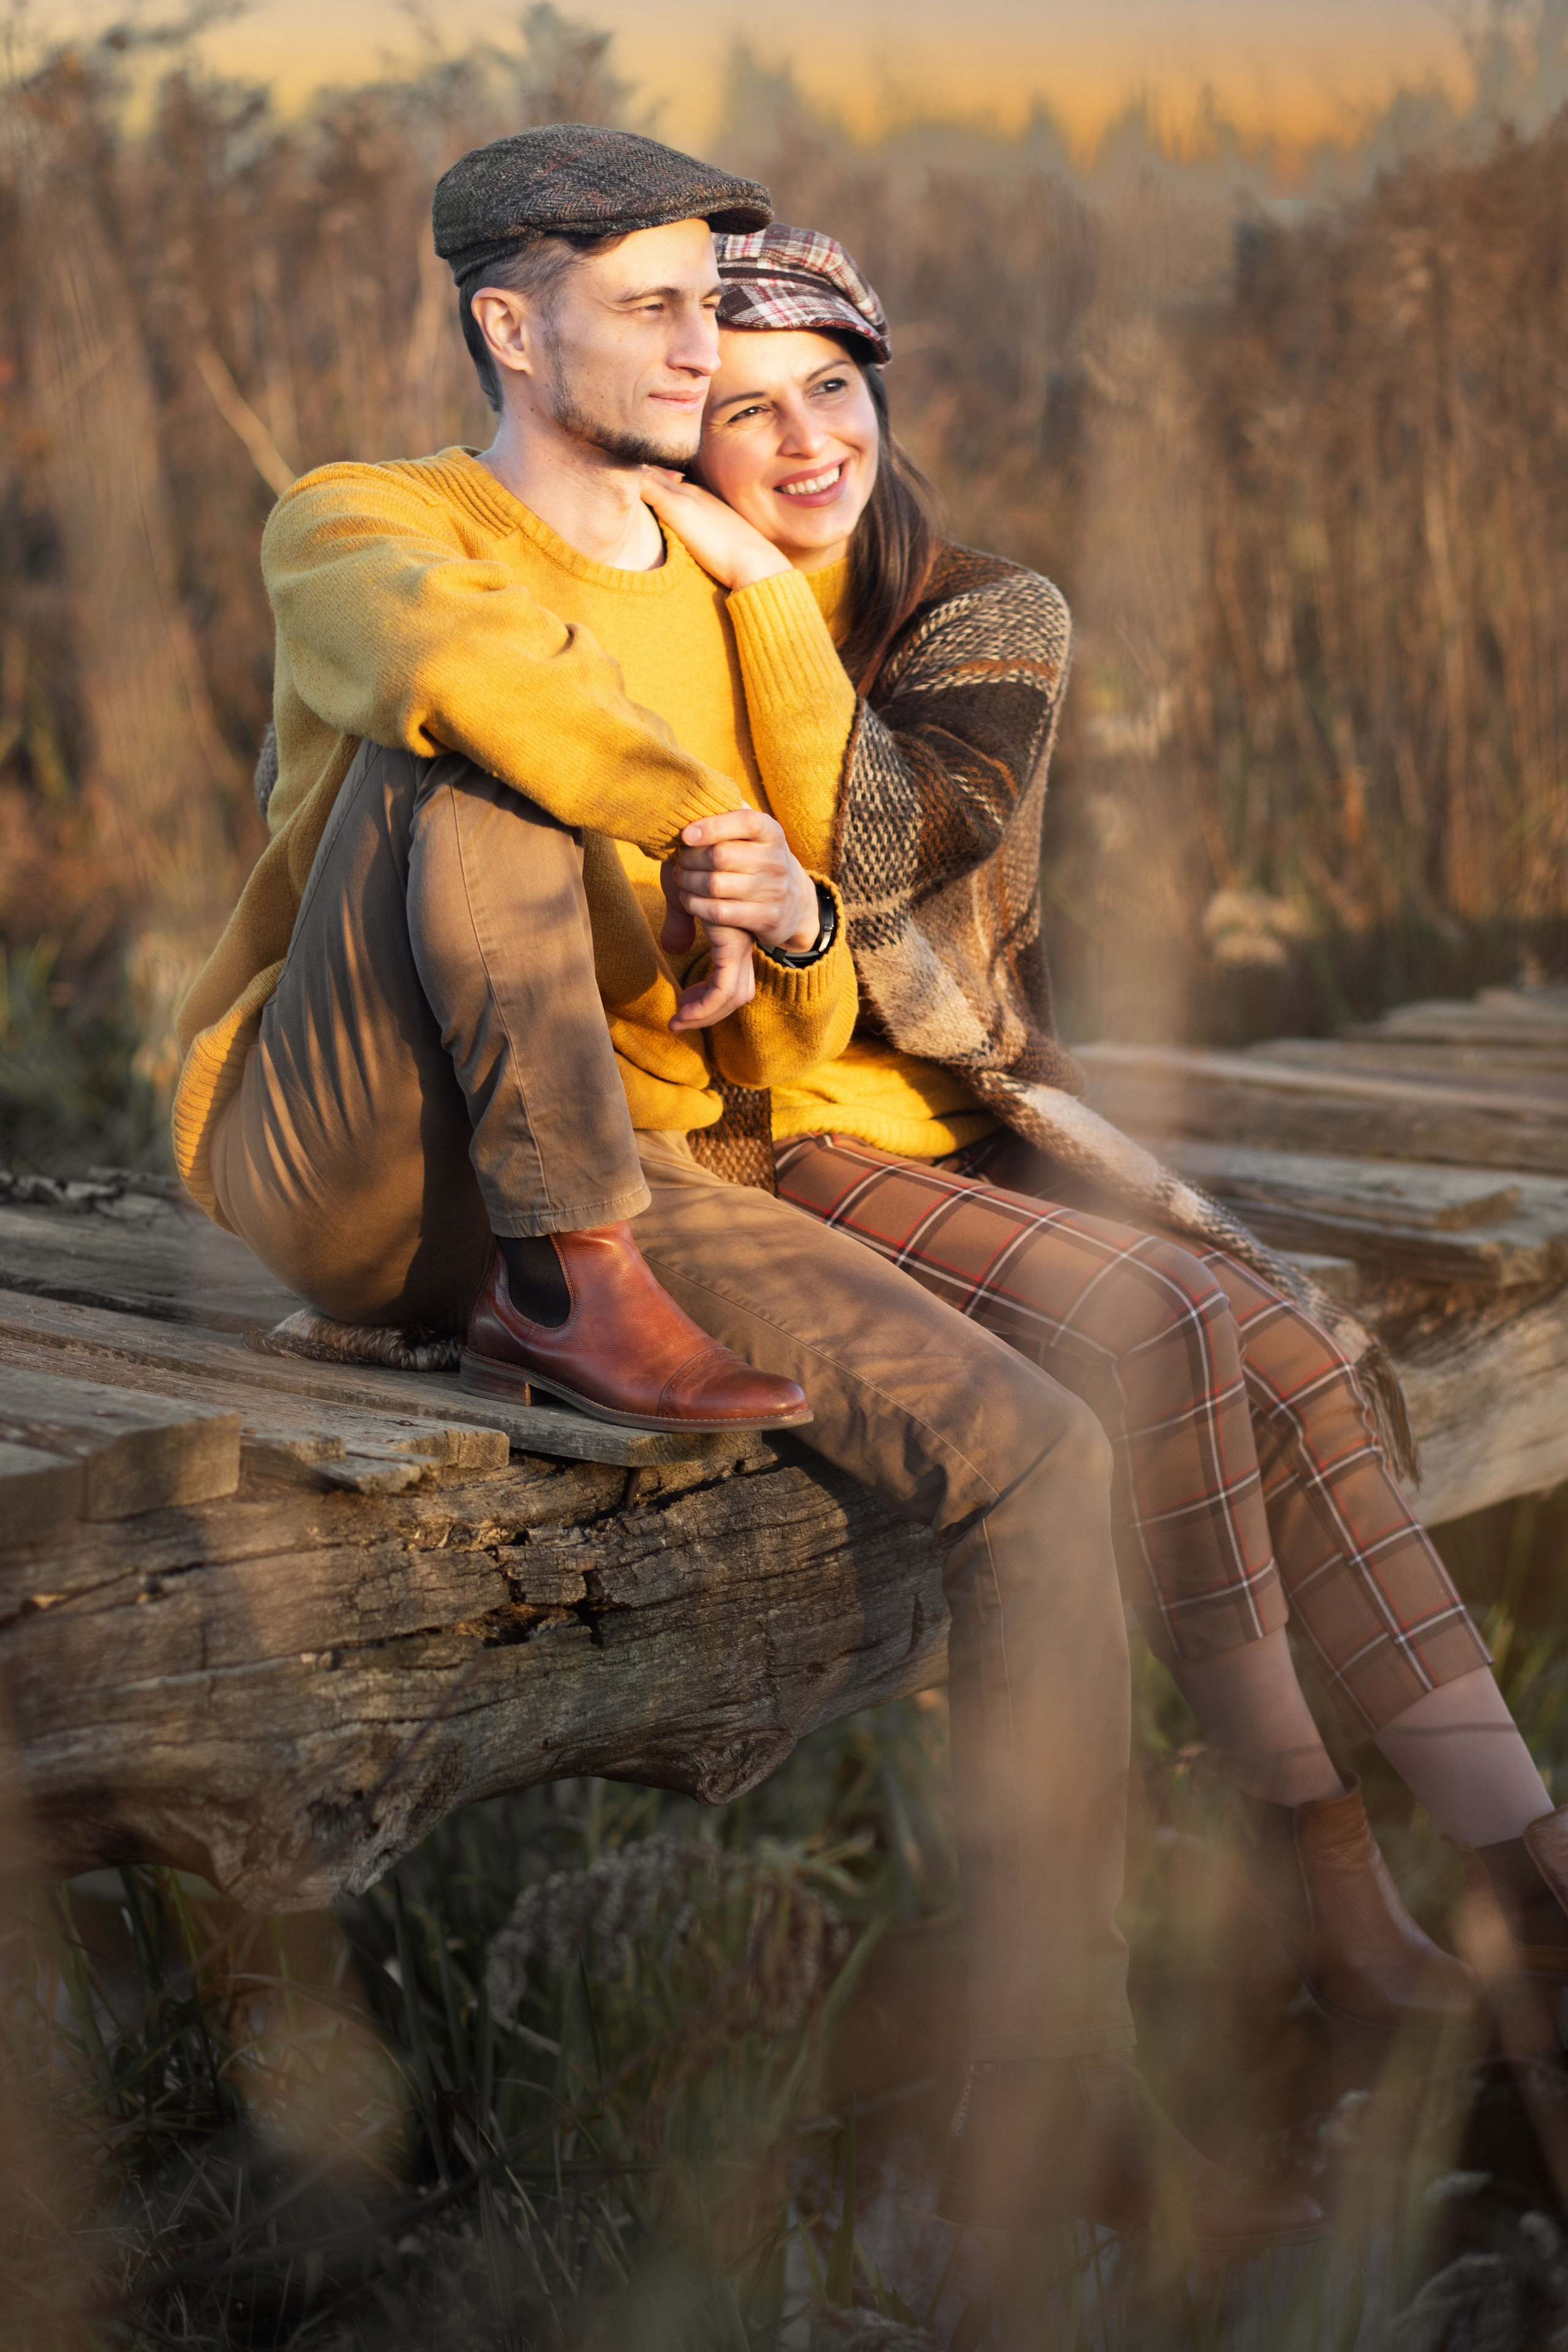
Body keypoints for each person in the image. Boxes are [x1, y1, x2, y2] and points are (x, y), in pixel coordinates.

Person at [170, 126, 1321, 2254]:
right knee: (476, 764)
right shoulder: (369, 519)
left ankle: (1060, 2082)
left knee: (1040, 1463)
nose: (718, 345)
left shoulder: (737, 592)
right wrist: (687, 802)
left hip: (637, 1154)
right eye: (665, 306)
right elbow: (458, 674)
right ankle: (559, 1275)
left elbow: (786, 1023)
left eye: (725, 300)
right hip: (344, 1148)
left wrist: (784, 911)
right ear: (515, 326)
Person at [637, 221, 1568, 2042]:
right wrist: (731, 591)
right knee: (1185, 1328)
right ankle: (1335, 1895)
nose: (812, 442)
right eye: (748, 415)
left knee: (1289, 1345)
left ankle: (1521, 1878)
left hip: (965, 1105)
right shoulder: (644, 625)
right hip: (768, 1145)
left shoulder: (990, 609)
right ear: (678, 437)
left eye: (835, 389)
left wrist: (752, 574)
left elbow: (905, 831)